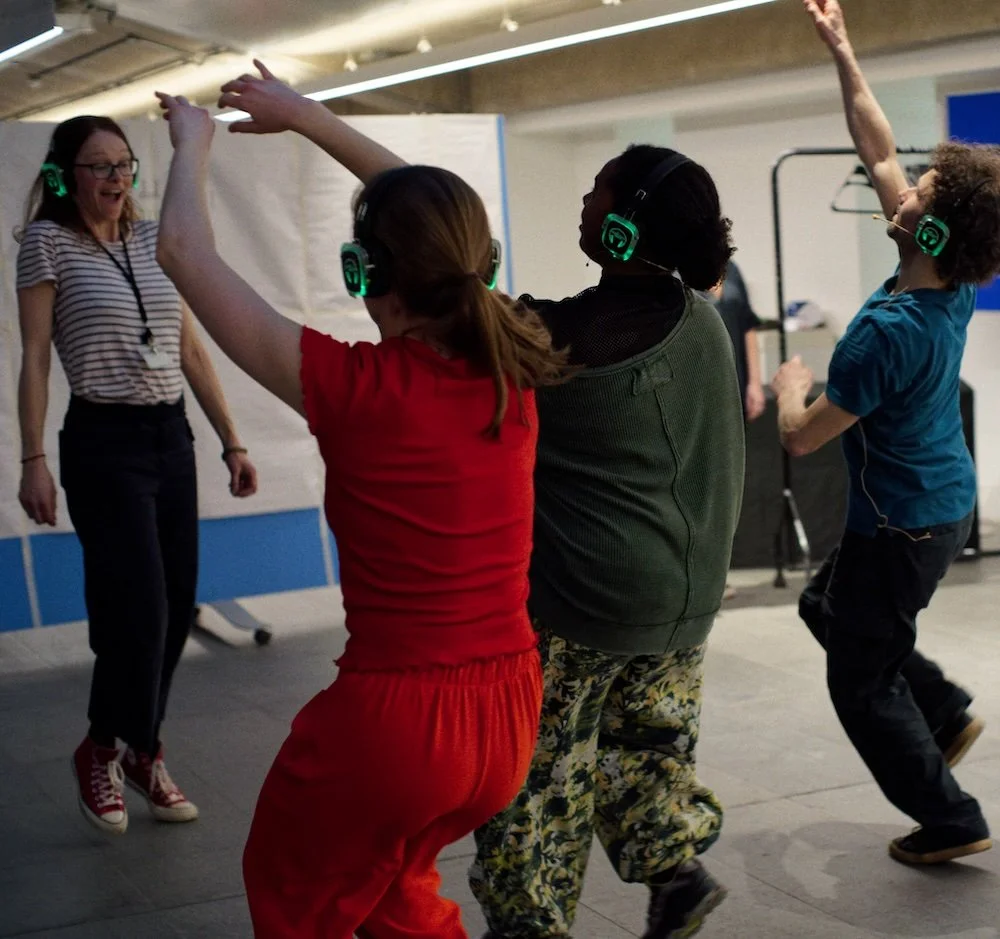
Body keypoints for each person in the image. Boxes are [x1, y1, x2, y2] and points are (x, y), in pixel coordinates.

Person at [154, 65, 566, 939]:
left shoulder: (352, 387)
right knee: (392, 888)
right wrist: (306, 117)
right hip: (508, 713)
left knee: (293, 887)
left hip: (396, 725)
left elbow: (184, 255)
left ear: (372, 274)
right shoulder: (513, 368)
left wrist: (192, 145)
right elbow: (431, 217)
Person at [470, 142, 745, 935]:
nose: (583, 204)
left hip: (585, 602)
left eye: (597, 193)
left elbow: (468, 305)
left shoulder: (568, 338)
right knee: (646, 748)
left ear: (625, 226)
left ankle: (528, 921)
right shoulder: (702, 316)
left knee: (537, 775)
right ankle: (675, 870)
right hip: (683, 599)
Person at [773, 0, 1000, 866]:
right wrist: (844, 51)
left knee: (859, 679)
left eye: (921, 192)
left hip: (902, 522)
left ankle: (950, 817)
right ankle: (940, 709)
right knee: (823, 605)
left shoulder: (885, 334)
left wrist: (796, 387)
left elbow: (802, 439)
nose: (903, 186)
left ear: (933, 229)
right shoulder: (947, 282)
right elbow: (873, 145)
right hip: (937, 505)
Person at [15, 115, 258, 837]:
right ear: (66, 176)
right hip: (102, 441)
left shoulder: (155, 242)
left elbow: (188, 346)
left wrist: (230, 440)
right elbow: (32, 357)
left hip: (168, 437)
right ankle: (101, 745)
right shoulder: (47, 242)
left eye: (124, 165)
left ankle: (142, 751)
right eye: (98, 167)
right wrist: (32, 459)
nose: (116, 179)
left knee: (177, 605)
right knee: (140, 609)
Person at [707, 259, 766, 423]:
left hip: (735, 379)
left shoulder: (730, 268)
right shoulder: (673, 270)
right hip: (697, 384)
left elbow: (747, 325)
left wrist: (755, 383)